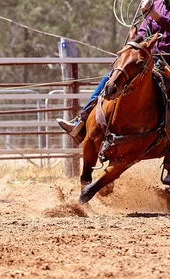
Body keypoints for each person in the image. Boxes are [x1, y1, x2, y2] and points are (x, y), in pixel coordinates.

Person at [57, 0, 170, 184]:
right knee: (112, 78)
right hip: (148, 59)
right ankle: (82, 120)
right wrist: (136, 42)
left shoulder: (154, 8)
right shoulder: (155, 3)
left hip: (168, 62)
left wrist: (155, 16)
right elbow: (143, 31)